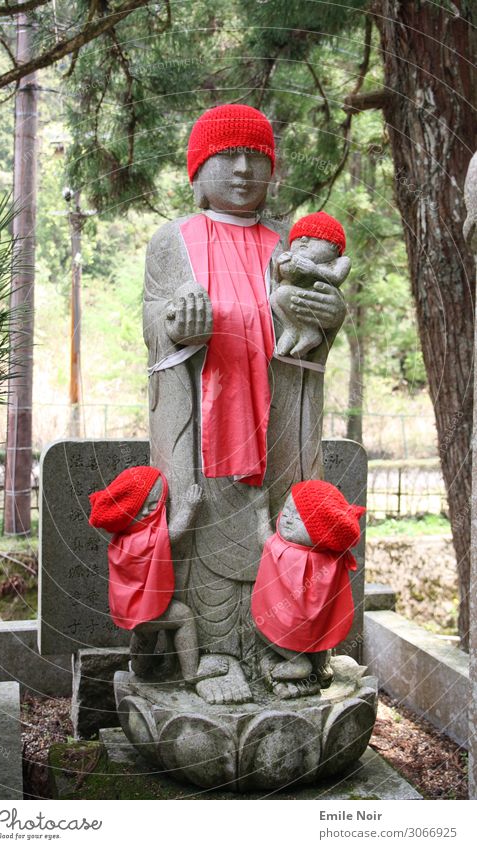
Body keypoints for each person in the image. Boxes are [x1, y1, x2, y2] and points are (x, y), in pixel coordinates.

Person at [143, 103, 347, 703]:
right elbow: (153, 318)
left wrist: (327, 319)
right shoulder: (172, 240)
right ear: (198, 167)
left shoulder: (288, 244)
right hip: (211, 415)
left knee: (289, 524)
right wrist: (176, 323)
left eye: (255, 159)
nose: (241, 171)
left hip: (282, 411)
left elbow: (314, 325)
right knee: (213, 527)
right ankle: (216, 655)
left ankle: (286, 650)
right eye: (226, 157)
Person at [89, 466, 228, 685]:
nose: (149, 513)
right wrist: (190, 509)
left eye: (156, 506)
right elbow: (171, 536)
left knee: (147, 634)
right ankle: (192, 673)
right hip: (142, 612)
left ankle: (139, 668)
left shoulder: (123, 538)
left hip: (132, 611)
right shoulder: (139, 540)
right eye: (149, 507)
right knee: (183, 617)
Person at [251, 479, 365, 699]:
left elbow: (262, 539)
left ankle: (297, 661)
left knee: (260, 621)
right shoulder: (331, 557)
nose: (288, 518)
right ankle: (320, 661)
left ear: (320, 533)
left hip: (286, 621)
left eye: (300, 517)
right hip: (319, 624)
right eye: (289, 509)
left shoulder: (289, 552)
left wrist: (261, 510)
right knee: (320, 634)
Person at [272, 212, 351, 358]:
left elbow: (337, 277)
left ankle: (310, 332)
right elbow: (276, 280)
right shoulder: (292, 258)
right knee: (275, 297)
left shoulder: (341, 261)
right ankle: (293, 329)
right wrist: (279, 265)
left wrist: (314, 270)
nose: (303, 239)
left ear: (333, 245)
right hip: (291, 300)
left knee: (282, 294)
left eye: (313, 238)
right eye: (299, 237)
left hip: (315, 299)